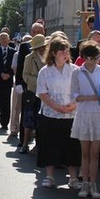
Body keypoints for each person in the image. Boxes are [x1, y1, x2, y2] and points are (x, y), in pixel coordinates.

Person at [70, 41, 100, 199]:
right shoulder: (77, 73)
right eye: (90, 57)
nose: (93, 60)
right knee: (85, 152)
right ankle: (85, 182)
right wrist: (93, 97)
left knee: (95, 153)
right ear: (83, 57)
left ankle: (93, 184)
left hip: (98, 114)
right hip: (83, 114)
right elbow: (75, 95)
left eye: (96, 57)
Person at [35, 37, 79, 188]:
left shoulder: (75, 70)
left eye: (67, 51)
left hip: (71, 114)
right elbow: (42, 93)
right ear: (53, 53)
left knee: (71, 146)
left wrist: (73, 105)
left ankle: (73, 178)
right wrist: (57, 107)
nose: (65, 54)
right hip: (51, 114)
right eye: (62, 51)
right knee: (50, 144)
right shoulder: (45, 71)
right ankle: (49, 176)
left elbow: (81, 91)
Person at [20, 34, 48, 154]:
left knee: (41, 122)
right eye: (40, 47)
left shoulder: (49, 57)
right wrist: (38, 81)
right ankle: (25, 144)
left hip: (46, 94)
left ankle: (38, 146)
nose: (42, 49)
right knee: (29, 120)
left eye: (43, 46)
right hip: (33, 92)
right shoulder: (29, 58)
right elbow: (25, 75)